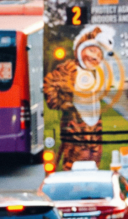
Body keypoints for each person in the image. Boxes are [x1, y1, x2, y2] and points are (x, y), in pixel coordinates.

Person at [43, 25, 117, 169]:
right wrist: (64, 104)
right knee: (75, 164)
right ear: (80, 48)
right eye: (91, 50)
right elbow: (50, 85)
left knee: (94, 162)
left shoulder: (96, 72)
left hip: (94, 129)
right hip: (75, 129)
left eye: (99, 54)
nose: (94, 57)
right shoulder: (69, 69)